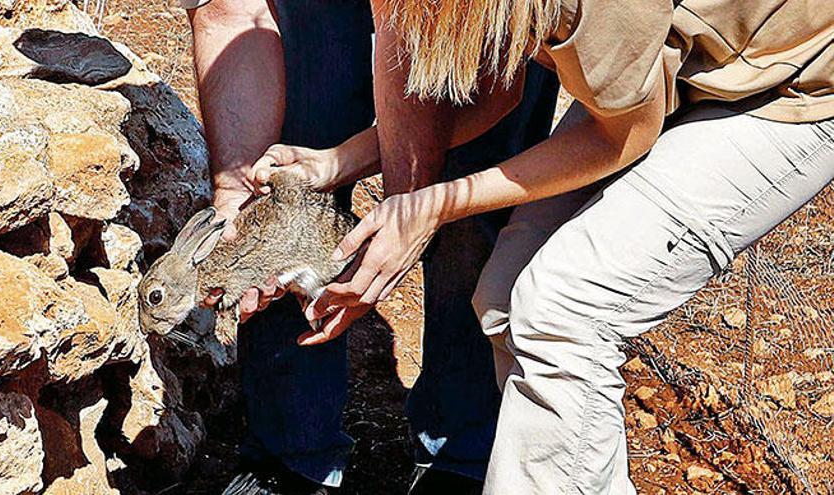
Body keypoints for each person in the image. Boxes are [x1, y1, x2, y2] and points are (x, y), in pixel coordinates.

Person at [253, 0, 834, 493]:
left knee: (565, 311)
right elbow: (490, 89)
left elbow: (620, 134)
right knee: (504, 300)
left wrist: (435, 204)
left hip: (790, 89)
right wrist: (340, 159)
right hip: (676, 70)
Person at [183, 0, 559, 493]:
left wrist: (410, 211)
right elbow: (227, 10)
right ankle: (291, 453)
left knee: (474, 197)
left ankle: (462, 452)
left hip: (484, 20)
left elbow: (491, 91)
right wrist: (240, 196)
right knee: (289, 168)